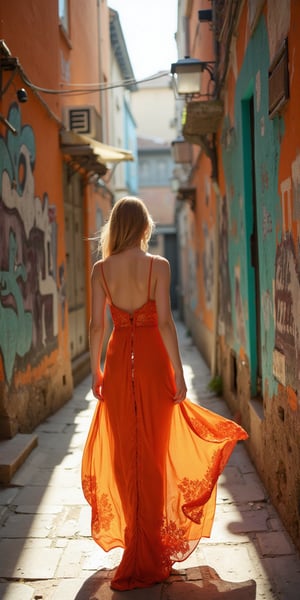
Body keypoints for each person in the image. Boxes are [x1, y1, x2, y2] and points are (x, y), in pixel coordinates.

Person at [82, 196, 248, 591]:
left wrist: (95, 371)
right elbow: (168, 324)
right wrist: (178, 370)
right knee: (153, 454)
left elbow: (94, 327)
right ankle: (151, 547)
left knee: (126, 455)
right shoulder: (159, 266)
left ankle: (135, 544)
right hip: (155, 363)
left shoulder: (100, 270)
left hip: (119, 363)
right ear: (143, 227)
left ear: (114, 227)